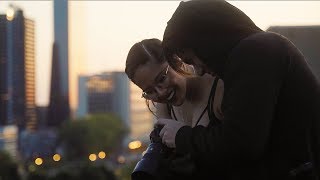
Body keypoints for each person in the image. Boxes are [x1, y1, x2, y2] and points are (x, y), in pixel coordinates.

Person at [158, 0, 320, 179]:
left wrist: (181, 136)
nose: (200, 70)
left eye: (192, 60)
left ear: (205, 41)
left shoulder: (254, 52)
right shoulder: (257, 50)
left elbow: (240, 143)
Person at [125, 38, 224, 179]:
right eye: (150, 91)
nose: (161, 93)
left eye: (161, 79)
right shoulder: (164, 105)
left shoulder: (218, 88)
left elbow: (240, 146)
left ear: (176, 60)